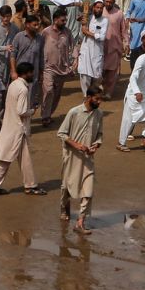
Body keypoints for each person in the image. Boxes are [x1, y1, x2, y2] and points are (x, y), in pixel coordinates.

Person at [0, 61, 44, 196]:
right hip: (18, 130)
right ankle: (28, 186)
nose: (32, 75)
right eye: (31, 72)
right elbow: (21, 111)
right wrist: (32, 111)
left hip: (9, 128)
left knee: (8, 159)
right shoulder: (23, 89)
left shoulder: (13, 85)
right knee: (14, 160)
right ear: (25, 73)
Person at [57, 85, 103, 233]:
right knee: (67, 187)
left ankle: (80, 221)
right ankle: (64, 207)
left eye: (100, 99)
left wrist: (95, 146)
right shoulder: (74, 112)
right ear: (89, 98)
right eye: (97, 99)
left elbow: (100, 135)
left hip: (88, 159)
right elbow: (62, 134)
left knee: (88, 191)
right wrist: (77, 145)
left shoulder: (99, 114)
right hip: (72, 157)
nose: (99, 102)